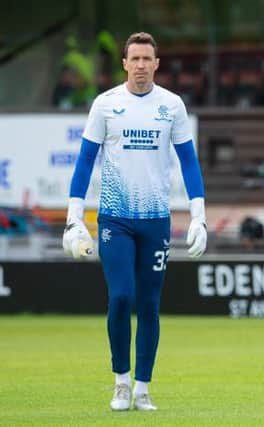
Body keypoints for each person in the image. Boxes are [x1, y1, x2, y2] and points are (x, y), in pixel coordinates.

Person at [62, 32, 208, 411]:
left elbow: (189, 163)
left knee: (149, 304)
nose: (141, 65)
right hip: (115, 220)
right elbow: (84, 162)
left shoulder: (172, 107)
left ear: (156, 64)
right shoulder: (105, 104)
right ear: (124, 63)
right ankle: (121, 383)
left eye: (148, 59)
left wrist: (198, 217)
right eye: (135, 59)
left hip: (156, 221)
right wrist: (72, 218)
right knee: (121, 296)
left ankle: (143, 389)